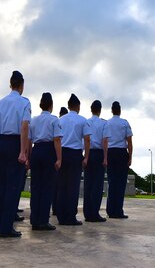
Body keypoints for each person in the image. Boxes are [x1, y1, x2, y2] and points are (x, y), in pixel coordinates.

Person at [0, 70, 31, 238]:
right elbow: (24, 126)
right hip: (15, 143)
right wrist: (23, 151)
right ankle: (6, 227)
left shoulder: (0, 103)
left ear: (10, 85)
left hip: (1, 143)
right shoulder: (24, 102)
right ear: (21, 86)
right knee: (12, 188)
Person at [28, 92, 62, 231]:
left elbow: (29, 141)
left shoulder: (34, 120)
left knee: (35, 187)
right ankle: (43, 220)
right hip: (48, 150)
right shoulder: (54, 120)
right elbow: (57, 140)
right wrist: (59, 158)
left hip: (36, 150)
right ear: (51, 105)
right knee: (47, 187)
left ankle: (34, 219)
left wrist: (29, 157)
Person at [56, 94, 90, 225]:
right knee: (73, 187)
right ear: (78, 106)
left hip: (63, 153)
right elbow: (87, 139)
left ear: (69, 106)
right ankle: (70, 216)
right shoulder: (83, 120)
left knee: (62, 186)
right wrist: (86, 157)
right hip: (75, 154)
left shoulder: (61, 120)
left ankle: (61, 216)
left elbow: (57, 138)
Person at [103, 101, 132, 219]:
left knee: (111, 182)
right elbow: (129, 141)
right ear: (120, 110)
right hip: (121, 153)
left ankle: (110, 210)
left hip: (110, 152)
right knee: (120, 184)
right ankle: (118, 210)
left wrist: (105, 157)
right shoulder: (124, 123)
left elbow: (104, 140)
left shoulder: (107, 123)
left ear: (111, 110)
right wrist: (130, 156)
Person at [83, 100, 107, 222]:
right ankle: (94, 213)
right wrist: (105, 157)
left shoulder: (86, 122)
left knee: (88, 184)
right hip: (98, 153)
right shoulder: (103, 123)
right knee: (97, 185)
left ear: (91, 109)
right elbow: (104, 141)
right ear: (100, 109)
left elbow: (85, 139)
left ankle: (87, 213)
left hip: (88, 153)